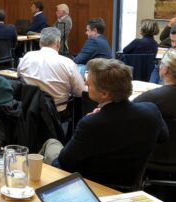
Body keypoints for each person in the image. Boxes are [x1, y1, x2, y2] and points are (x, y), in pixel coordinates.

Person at [43, 58, 168, 187]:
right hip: (131, 184)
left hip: (92, 186)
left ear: (104, 94)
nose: (85, 83)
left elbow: (65, 162)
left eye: (89, 83)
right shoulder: (151, 111)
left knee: (50, 144)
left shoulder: (91, 124)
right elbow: (163, 137)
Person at [17, 27, 85, 117]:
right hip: (57, 113)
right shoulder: (68, 63)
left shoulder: (26, 57)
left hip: (30, 111)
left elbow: (19, 77)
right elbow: (80, 92)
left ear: (40, 43)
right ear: (58, 44)